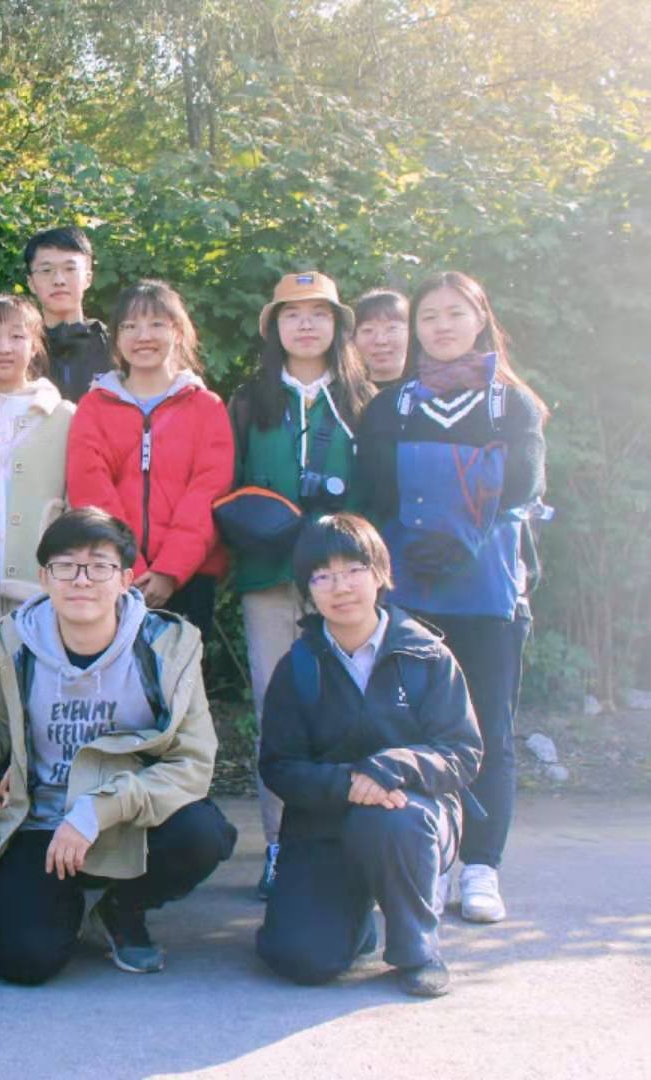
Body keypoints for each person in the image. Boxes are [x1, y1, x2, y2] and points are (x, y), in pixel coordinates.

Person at [0, 508, 237, 982]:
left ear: (125, 579)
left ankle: (123, 905)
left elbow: (192, 763)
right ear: (45, 577)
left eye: (99, 566)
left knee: (202, 832)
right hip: (43, 820)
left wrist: (97, 809)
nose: (82, 580)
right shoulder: (14, 643)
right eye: (65, 566)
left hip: (129, 818)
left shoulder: (167, 647)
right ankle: (58, 902)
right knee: (20, 961)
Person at [357, 270, 548, 926]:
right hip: (409, 587)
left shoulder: (510, 404)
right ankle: (429, 855)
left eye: (455, 313)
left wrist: (456, 530)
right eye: (429, 316)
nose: (442, 326)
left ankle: (481, 865)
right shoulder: (392, 407)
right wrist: (415, 536)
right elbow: (375, 494)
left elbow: (521, 485)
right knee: (410, 725)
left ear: (480, 318)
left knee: (489, 727)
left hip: (487, 589)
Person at [256, 513, 481, 997]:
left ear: (379, 573)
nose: (340, 586)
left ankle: (417, 950)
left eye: (353, 569)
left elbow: (462, 752)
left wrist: (391, 768)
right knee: (299, 958)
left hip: (411, 817)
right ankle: (351, 921)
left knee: (393, 821)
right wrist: (350, 784)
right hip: (325, 823)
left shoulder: (427, 655)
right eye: (322, 575)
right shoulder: (297, 667)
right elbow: (279, 766)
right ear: (308, 590)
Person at [226, 270, 375, 899]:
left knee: (349, 705)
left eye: (319, 313)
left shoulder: (364, 400)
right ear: (274, 327)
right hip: (268, 577)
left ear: (337, 325)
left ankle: (347, 841)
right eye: (292, 313)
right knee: (276, 707)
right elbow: (227, 487)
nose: (305, 324)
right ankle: (279, 845)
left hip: (344, 580)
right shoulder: (249, 400)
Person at [66, 279, 233, 639]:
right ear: (116, 338)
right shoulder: (93, 407)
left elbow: (208, 492)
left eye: (156, 324)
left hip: (190, 575)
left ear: (177, 331)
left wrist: (170, 570)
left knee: (180, 673)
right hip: (110, 574)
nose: (143, 336)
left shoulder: (206, 407)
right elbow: (89, 487)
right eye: (130, 326)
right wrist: (127, 564)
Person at [0, 295, 76, 624]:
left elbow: (74, 500)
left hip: (40, 581)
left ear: (35, 345)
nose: (4, 347)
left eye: (17, 336)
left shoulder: (63, 415)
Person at [23, 226, 111, 403]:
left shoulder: (113, 344)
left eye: (70, 269)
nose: (58, 280)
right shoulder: (19, 347)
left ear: (88, 278)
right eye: (46, 270)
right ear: (31, 282)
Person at [352, 288, 410, 388]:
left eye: (392, 328)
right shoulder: (342, 394)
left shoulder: (430, 391)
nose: (380, 341)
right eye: (368, 330)